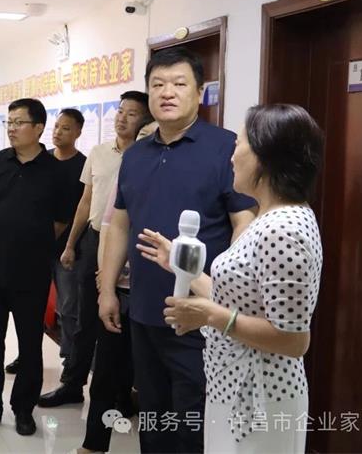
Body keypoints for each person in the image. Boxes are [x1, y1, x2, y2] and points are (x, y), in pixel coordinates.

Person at [138, 103, 324, 452]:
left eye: (239, 145)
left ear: (265, 156)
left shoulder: (284, 229)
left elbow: (293, 340)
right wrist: (182, 266)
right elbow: (237, 298)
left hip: (262, 398)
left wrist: (211, 316)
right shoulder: (268, 218)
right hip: (233, 387)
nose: (231, 157)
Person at [98, 48, 257, 453]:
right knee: (153, 415)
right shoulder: (135, 155)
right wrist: (107, 289)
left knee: (194, 420)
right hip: (144, 311)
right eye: (158, 84)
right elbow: (120, 224)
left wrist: (221, 293)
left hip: (200, 316)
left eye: (179, 84)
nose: (167, 92)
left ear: (200, 93)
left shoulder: (226, 148)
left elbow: (244, 222)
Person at [0, 98, 69, 437]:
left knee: (30, 345)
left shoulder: (55, 171)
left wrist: (30, 241)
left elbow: (60, 222)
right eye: (8, 122)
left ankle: (24, 409)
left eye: (18, 122)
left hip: (31, 272)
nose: (11, 128)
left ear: (38, 128)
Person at [39, 91, 152, 408]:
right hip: (94, 240)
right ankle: (72, 383)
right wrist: (71, 244)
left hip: (132, 246)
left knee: (125, 322)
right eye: (120, 111)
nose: (122, 118)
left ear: (145, 120)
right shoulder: (99, 153)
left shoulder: (148, 156)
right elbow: (86, 201)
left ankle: (123, 392)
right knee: (84, 317)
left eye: (131, 113)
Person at [6, 108, 86, 375]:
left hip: (67, 249)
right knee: (30, 307)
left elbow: (79, 211)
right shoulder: (43, 160)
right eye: (57, 126)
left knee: (68, 307)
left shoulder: (83, 165)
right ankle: (27, 355)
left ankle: (70, 361)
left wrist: (68, 245)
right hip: (34, 251)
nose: (58, 132)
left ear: (78, 132)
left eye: (66, 128)